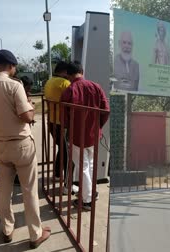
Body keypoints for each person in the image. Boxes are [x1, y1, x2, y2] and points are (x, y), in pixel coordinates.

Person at [0, 49, 50, 249]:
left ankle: (7, 230)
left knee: (3, 190)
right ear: (11, 66)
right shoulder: (14, 85)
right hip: (21, 144)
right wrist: (32, 109)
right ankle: (35, 234)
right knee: (29, 190)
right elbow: (26, 116)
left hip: (0, 145)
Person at [60, 61, 109, 211]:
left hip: (77, 136)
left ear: (68, 74)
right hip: (94, 135)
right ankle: (91, 193)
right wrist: (98, 126)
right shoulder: (96, 87)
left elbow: (64, 118)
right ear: (82, 70)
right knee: (91, 164)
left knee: (83, 166)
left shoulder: (69, 90)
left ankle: (87, 200)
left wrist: (67, 129)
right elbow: (105, 110)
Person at [44, 61, 77, 195]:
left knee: (62, 149)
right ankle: (67, 185)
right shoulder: (65, 84)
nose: (69, 75)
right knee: (69, 154)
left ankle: (57, 174)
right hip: (63, 124)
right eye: (68, 73)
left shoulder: (49, 82)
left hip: (52, 122)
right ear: (64, 72)